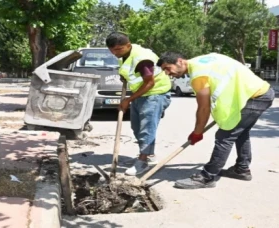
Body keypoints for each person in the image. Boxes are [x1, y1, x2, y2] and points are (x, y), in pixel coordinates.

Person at [157, 52, 275, 189]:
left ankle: (207, 177)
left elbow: (203, 108)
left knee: (225, 136)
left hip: (254, 97)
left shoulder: (198, 75)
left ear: (180, 61)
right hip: (259, 93)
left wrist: (197, 132)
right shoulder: (203, 60)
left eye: (167, 68)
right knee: (241, 132)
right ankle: (242, 169)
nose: (167, 73)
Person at [105, 32, 172, 176]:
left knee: (146, 129)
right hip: (141, 94)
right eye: (112, 50)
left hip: (155, 93)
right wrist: (124, 76)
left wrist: (128, 100)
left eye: (118, 50)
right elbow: (130, 72)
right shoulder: (124, 54)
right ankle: (149, 155)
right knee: (136, 127)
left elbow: (150, 82)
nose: (115, 53)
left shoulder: (142, 59)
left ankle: (142, 161)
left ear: (128, 45)